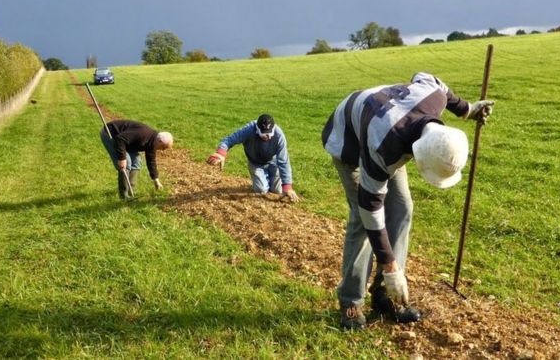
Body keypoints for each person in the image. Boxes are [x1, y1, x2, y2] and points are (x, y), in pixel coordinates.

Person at [321, 72, 494, 330]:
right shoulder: (384, 148)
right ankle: (351, 302)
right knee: (362, 222)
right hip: (350, 139)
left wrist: (467, 109)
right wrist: (391, 266)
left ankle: (384, 295)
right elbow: (371, 208)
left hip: (389, 128)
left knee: (402, 208)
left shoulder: (434, 99)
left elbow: (429, 79)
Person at [206, 114, 300, 202]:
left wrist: (287, 187)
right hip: (256, 163)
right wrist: (221, 153)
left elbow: (284, 162)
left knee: (278, 190)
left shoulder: (279, 136)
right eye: (263, 133)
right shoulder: (248, 130)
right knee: (261, 191)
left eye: (269, 133)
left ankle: (269, 179)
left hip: (273, 163)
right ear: (257, 129)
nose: (266, 136)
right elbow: (228, 140)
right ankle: (263, 180)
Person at [100, 119, 173, 200]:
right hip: (111, 134)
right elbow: (120, 139)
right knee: (126, 163)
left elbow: (151, 161)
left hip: (125, 141)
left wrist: (156, 180)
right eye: (163, 147)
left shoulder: (153, 142)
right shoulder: (143, 134)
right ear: (159, 141)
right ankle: (124, 196)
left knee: (137, 161)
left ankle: (131, 192)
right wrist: (122, 158)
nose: (162, 150)